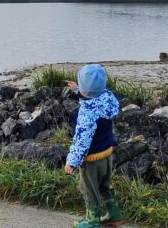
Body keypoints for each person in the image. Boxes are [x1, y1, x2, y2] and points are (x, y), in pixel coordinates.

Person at [64, 64, 126, 228]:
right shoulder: (107, 97)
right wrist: (78, 90)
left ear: (85, 89)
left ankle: (92, 220)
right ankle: (114, 214)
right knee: (105, 185)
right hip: (107, 153)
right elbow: (93, 97)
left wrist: (72, 162)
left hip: (91, 159)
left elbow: (81, 141)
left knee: (89, 189)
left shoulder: (86, 114)